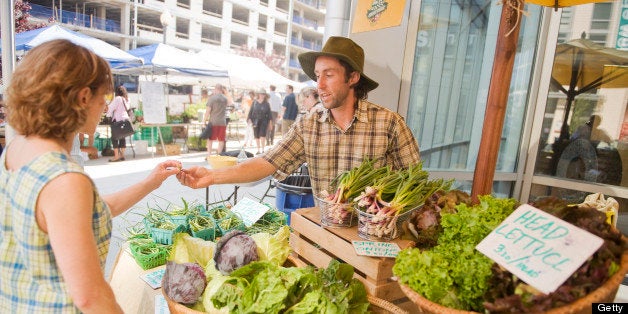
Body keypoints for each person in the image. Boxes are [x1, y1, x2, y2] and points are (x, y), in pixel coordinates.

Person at [0, 39, 182, 313]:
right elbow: (91, 297)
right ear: (84, 97)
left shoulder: (16, 149)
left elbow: (84, 214)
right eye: (104, 98)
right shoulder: (64, 178)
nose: (105, 108)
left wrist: (150, 182)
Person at [177, 36, 421, 197]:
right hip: (327, 235)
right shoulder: (309, 125)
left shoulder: (389, 124)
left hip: (374, 239)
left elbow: (415, 184)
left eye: (329, 75)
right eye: (317, 75)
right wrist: (212, 176)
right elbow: (267, 163)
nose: (319, 85)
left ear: (353, 78)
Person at [105, 85, 131, 162]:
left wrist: (108, 115)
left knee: (114, 138)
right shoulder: (127, 99)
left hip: (117, 120)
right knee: (122, 137)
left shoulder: (118, 99)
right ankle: (122, 155)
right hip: (125, 120)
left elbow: (111, 108)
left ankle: (116, 156)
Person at [202, 84, 228, 157]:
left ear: (216, 89)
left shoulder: (212, 98)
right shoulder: (225, 99)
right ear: (221, 89)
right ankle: (218, 155)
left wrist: (204, 121)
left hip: (213, 122)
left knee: (210, 139)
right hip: (222, 122)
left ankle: (209, 155)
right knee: (221, 140)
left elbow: (208, 111)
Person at [247, 88, 273, 155]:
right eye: (261, 94)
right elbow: (251, 111)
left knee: (262, 135)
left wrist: (270, 123)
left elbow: (269, 114)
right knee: (256, 136)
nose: (262, 95)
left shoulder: (267, 104)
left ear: (265, 95)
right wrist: (249, 119)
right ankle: (258, 149)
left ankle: (263, 150)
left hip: (264, 121)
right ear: (258, 94)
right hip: (255, 121)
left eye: (263, 94)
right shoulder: (254, 102)